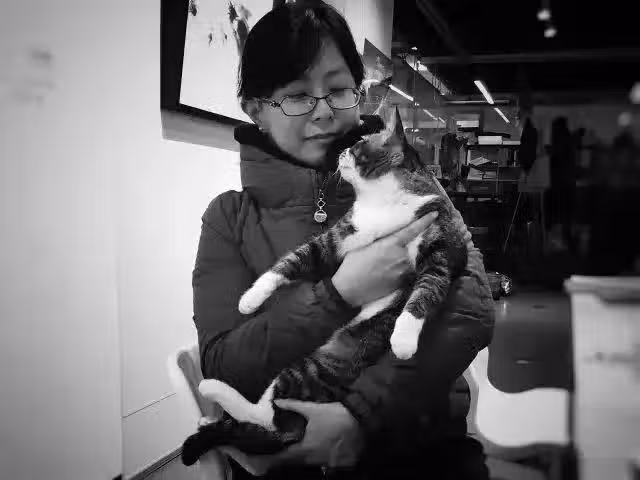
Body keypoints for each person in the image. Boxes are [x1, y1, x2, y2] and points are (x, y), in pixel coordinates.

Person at [191, 2, 495, 479]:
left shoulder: (410, 182)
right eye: (296, 95)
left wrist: (360, 416)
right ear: (255, 110)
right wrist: (338, 294)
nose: (324, 112)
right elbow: (225, 365)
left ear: (359, 91)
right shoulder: (228, 219)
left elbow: (471, 306)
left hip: (415, 442)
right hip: (286, 452)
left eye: (337, 90)